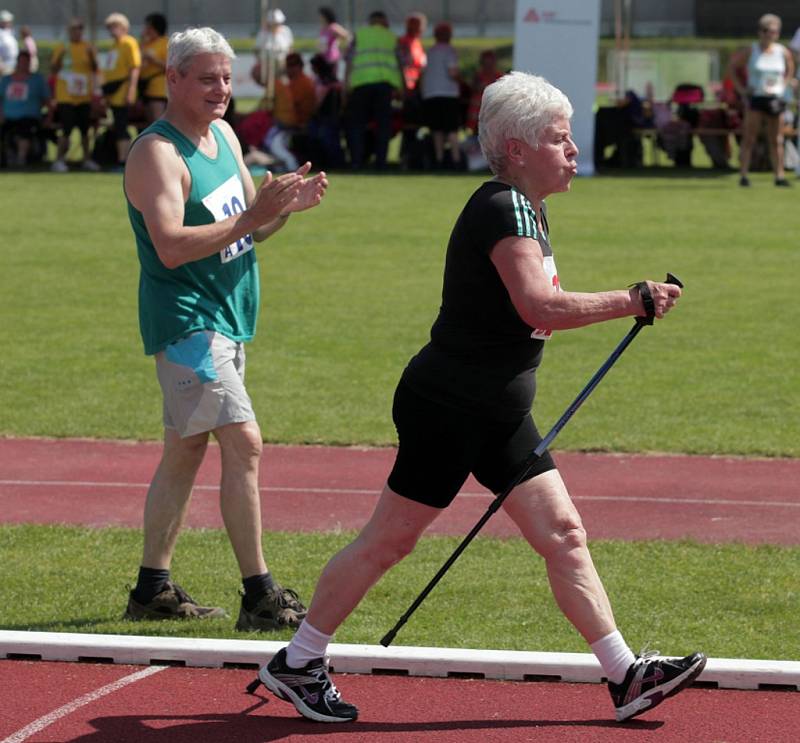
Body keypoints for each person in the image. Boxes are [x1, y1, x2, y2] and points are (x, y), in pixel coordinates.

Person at [254, 71, 706, 724]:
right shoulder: (503, 206)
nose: (574, 150)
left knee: (563, 533)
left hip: (494, 410)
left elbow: (529, 312)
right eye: (559, 139)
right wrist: (629, 300)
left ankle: (625, 674)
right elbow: (538, 303)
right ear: (518, 148)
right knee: (388, 542)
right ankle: (300, 658)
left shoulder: (524, 206)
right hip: (451, 407)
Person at [123, 27, 328, 632]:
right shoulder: (156, 153)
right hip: (188, 322)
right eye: (207, 78)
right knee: (245, 443)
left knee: (184, 452)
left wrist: (280, 211)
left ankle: (151, 590)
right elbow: (168, 246)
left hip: (228, 319)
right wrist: (253, 214)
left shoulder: (225, 137)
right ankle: (260, 595)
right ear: (174, 80)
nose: (221, 89)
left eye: (227, 78)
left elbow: (251, 229)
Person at [727, 13, 795, 187]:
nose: (769, 35)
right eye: (765, 31)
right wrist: (742, 89)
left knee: (776, 139)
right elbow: (733, 67)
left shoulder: (782, 51)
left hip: (775, 99)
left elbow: (790, 69)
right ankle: (743, 175)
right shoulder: (752, 50)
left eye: (773, 31)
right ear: (760, 32)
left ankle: (779, 176)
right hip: (756, 98)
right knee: (750, 138)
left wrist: (784, 84)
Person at [345, 11, 402, 170]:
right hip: (384, 86)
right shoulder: (391, 37)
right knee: (383, 125)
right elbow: (400, 64)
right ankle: (381, 163)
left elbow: (349, 61)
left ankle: (356, 161)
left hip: (360, 84)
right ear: (384, 21)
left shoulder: (359, 35)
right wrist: (401, 88)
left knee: (357, 125)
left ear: (370, 21)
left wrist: (345, 85)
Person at [50, 18, 100, 172]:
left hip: (83, 96)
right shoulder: (62, 47)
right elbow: (53, 68)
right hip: (66, 97)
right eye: (73, 29)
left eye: (79, 29)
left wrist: (92, 56)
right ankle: (59, 160)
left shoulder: (88, 47)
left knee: (85, 130)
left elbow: (95, 68)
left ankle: (86, 159)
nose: (76, 32)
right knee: (66, 129)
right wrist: (60, 57)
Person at [263, 51, 316, 172]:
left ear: (299, 66)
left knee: (272, 141)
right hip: (293, 123)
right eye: (287, 66)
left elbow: (291, 105)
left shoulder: (302, 83)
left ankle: (291, 166)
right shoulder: (295, 82)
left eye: (291, 66)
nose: (288, 69)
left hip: (298, 124)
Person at [101, 12, 141, 169]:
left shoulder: (129, 43)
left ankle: (123, 161)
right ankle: (121, 158)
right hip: (113, 93)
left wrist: (131, 90)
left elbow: (134, 68)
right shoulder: (113, 46)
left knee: (122, 126)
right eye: (110, 27)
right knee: (118, 125)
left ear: (124, 27)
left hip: (123, 91)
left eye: (115, 26)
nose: (112, 30)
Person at [420, 22, 462, 169]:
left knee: (436, 129)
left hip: (431, 94)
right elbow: (452, 72)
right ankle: (456, 159)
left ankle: (439, 159)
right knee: (452, 129)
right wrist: (462, 81)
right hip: (448, 94)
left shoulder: (430, 52)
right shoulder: (449, 51)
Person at [0, 49, 51, 167]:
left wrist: (49, 117)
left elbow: (47, 100)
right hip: (8, 117)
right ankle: (7, 155)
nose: (23, 64)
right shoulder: (6, 80)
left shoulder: (37, 79)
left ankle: (20, 158)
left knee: (24, 129)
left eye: (26, 61)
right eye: (21, 61)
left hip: (29, 117)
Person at [397, 12, 427, 169]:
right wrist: (404, 87)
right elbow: (402, 66)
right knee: (409, 125)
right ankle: (405, 158)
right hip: (409, 89)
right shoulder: (404, 43)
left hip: (416, 88)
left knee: (415, 125)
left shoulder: (417, 43)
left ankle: (412, 157)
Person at [308, 53, 344, 169]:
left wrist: (312, 113)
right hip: (334, 115)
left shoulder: (323, 81)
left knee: (325, 140)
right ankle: (337, 163)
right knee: (334, 141)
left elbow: (318, 101)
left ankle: (329, 164)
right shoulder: (333, 80)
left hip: (325, 116)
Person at [139, 13, 169, 124]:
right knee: (149, 123)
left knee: (158, 121)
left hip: (159, 90)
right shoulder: (146, 44)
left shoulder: (165, 43)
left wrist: (154, 60)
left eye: (149, 27)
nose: (146, 29)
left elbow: (171, 66)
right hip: (145, 89)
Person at [0, 9, 17, 76]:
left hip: (13, 65)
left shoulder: (9, 32)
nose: (10, 23)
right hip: (5, 66)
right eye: (7, 21)